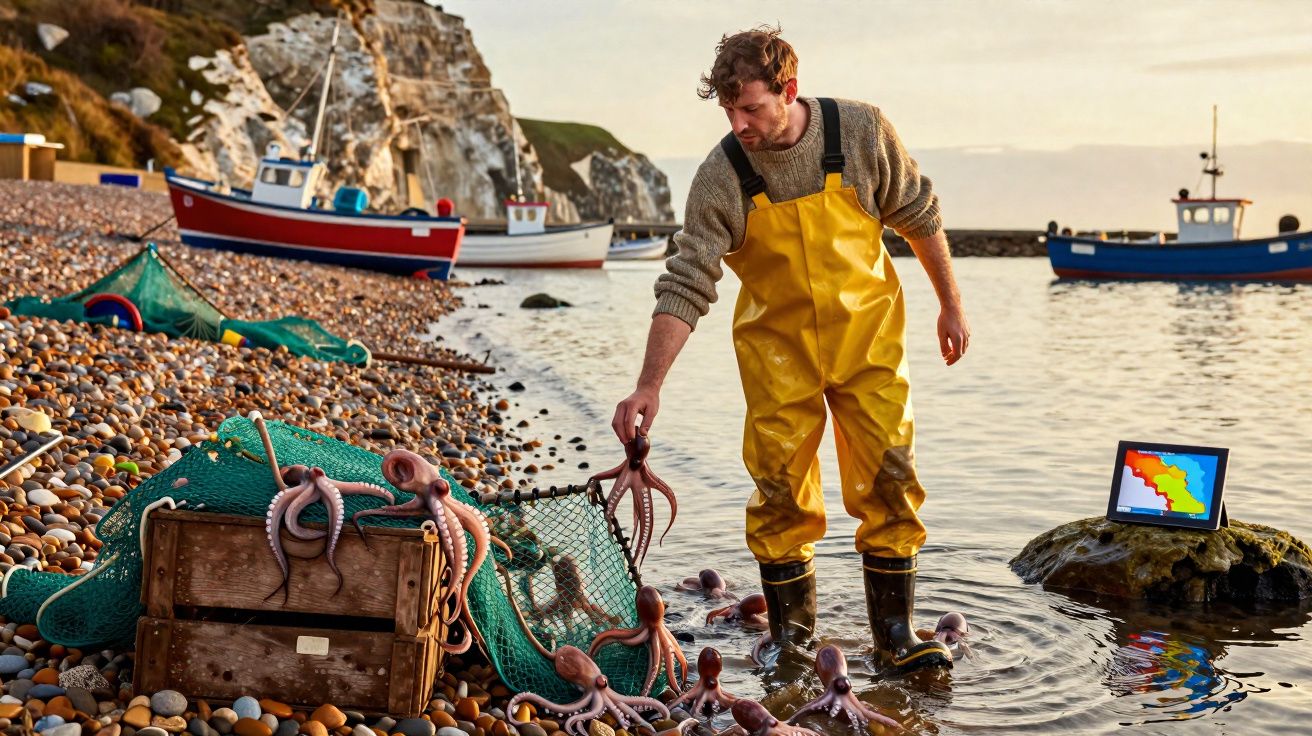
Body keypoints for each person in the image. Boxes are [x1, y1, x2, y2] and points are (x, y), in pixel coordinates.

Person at [611, 27, 970, 674]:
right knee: (779, 491)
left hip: (870, 345)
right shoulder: (723, 176)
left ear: (789, 90)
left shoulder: (861, 132)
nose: (739, 124)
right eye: (728, 111)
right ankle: (793, 641)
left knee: (891, 478)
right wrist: (649, 385)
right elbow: (688, 279)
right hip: (777, 356)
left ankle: (895, 636)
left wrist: (951, 305)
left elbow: (919, 214)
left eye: (751, 108)